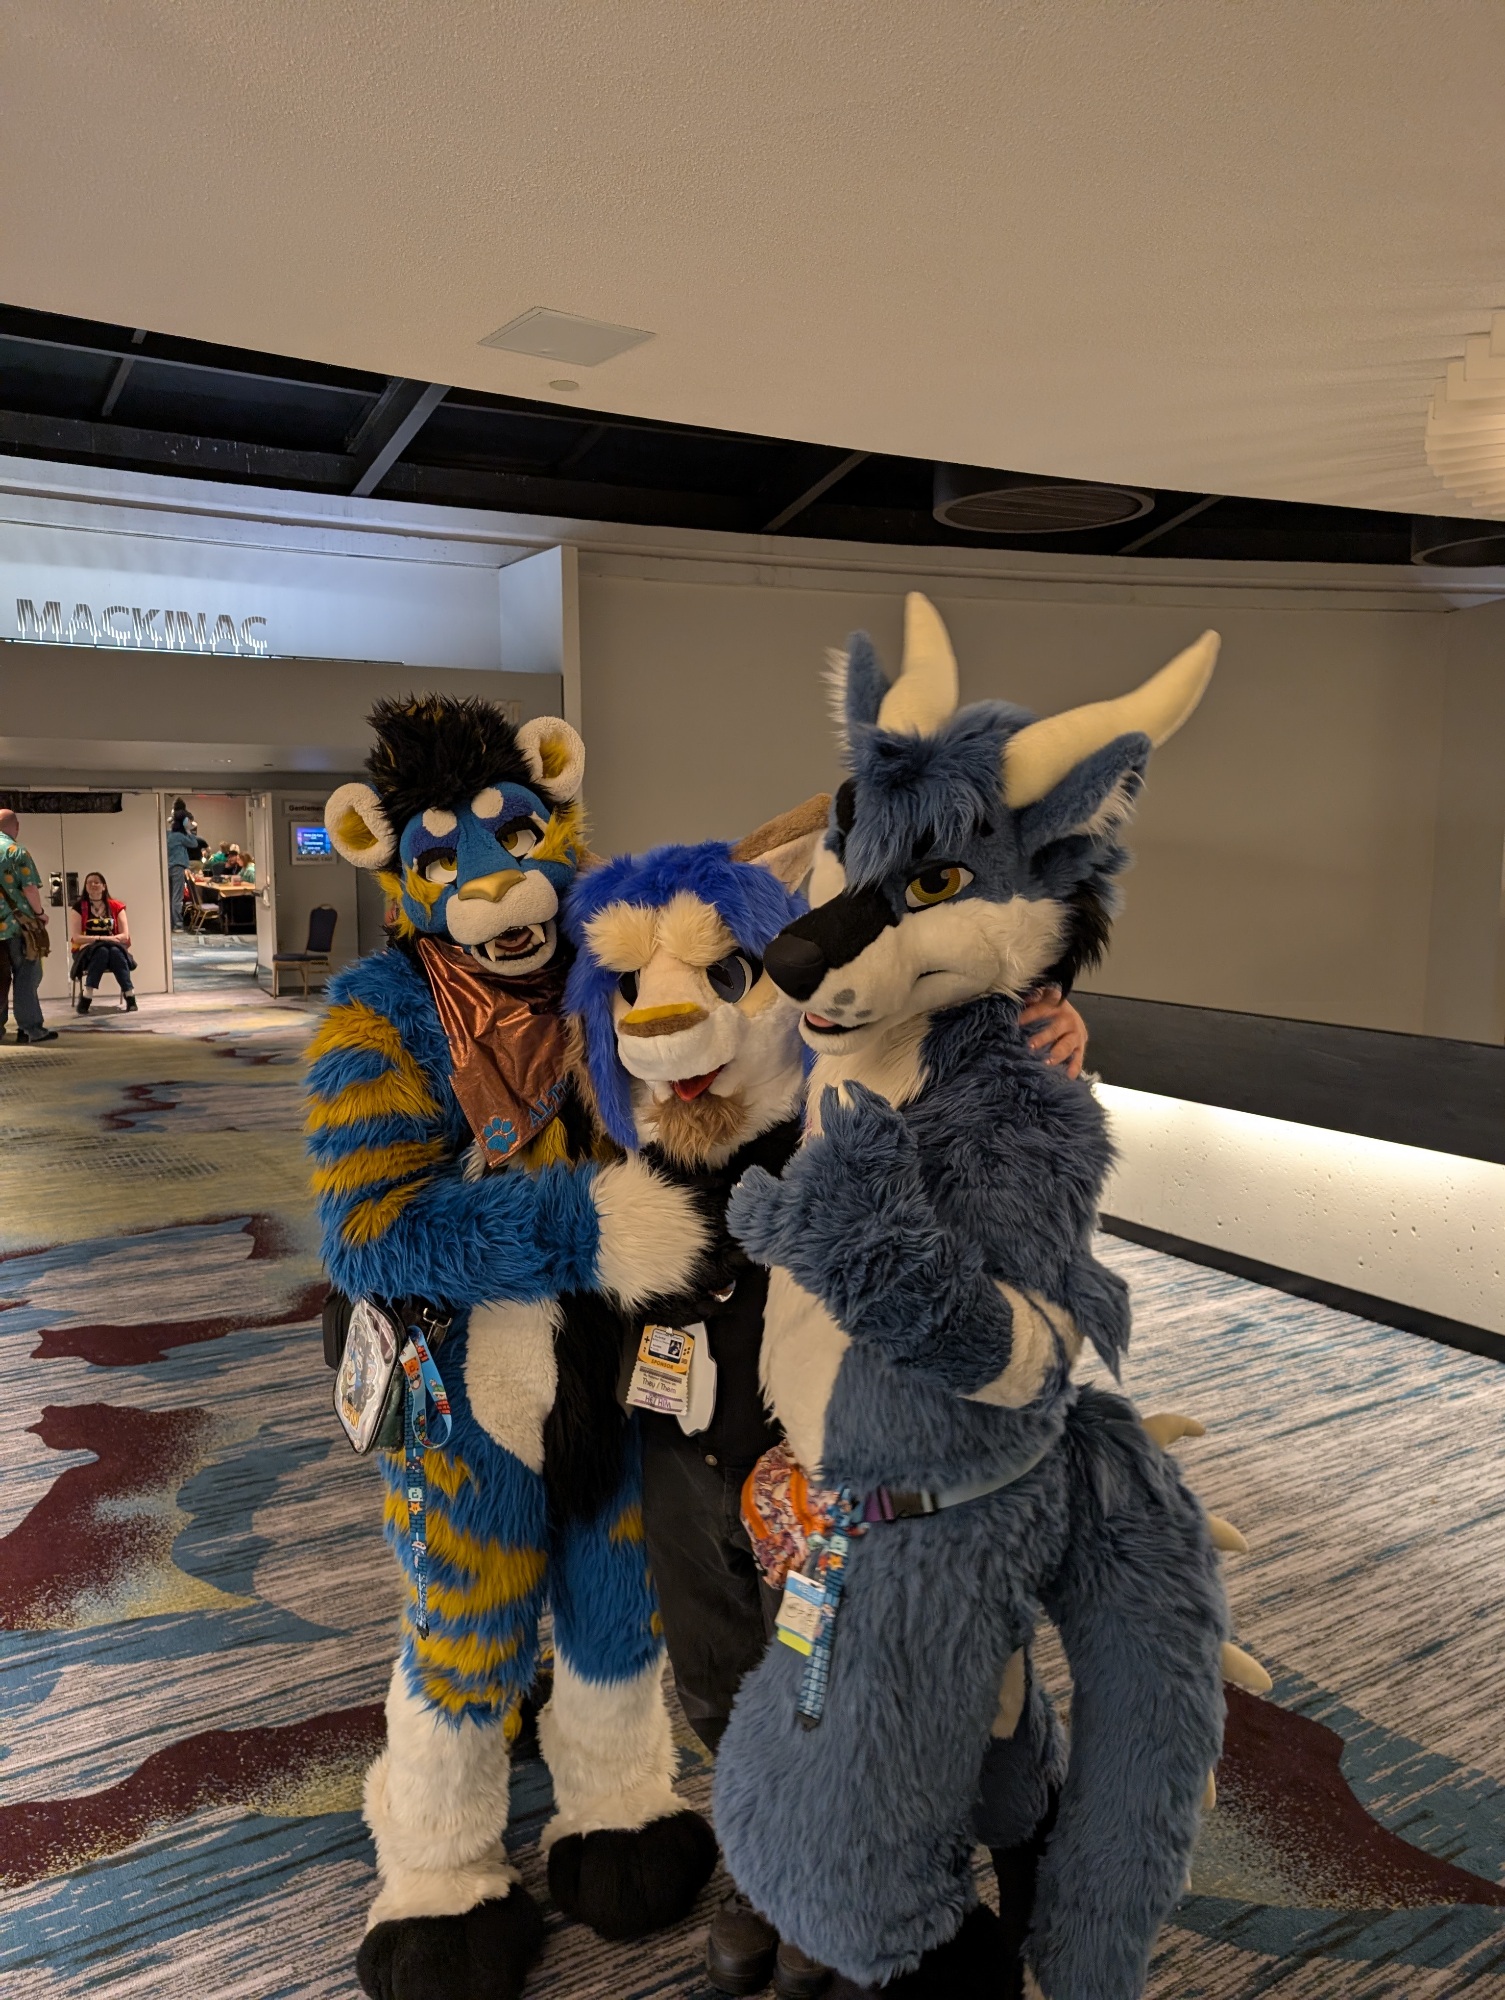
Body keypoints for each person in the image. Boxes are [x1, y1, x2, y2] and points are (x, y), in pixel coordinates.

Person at [0, 807, 58, 1044]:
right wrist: (40, 914)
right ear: (16, 827)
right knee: (26, 976)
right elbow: (30, 888)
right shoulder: (16, 851)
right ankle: (30, 1029)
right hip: (18, 928)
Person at [69, 872, 137, 1013]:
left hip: (113, 949)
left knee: (113, 952)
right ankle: (129, 996)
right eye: (89, 882)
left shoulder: (116, 906)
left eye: (97, 882)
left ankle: (88, 996)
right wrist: (103, 939)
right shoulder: (78, 907)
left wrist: (108, 940)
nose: (93, 885)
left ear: (104, 886)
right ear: (85, 886)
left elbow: (125, 936)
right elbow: (76, 938)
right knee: (102, 951)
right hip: (87, 951)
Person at [166, 810, 207, 930]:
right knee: (177, 897)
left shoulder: (168, 834)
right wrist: (188, 830)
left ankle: (170, 923)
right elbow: (194, 843)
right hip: (177, 866)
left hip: (168, 866)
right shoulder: (180, 835)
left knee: (170, 896)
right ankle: (177, 924)